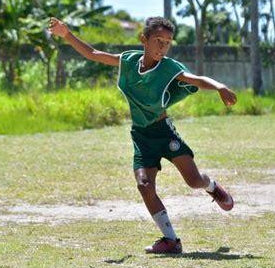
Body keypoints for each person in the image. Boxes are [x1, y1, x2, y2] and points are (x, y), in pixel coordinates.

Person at [49, 16, 237, 254]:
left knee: (193, 181)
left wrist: (219, 86)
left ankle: (211, 185)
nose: (162, 46)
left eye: (167, 42)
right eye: (158, 40)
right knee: (144, 184)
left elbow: (195, 79)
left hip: (163, 132)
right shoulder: (128, 61)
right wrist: (66, 35)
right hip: (141, 135)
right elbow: (93, 53)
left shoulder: (168, 67)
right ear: (143, 39)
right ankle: (171, 240)